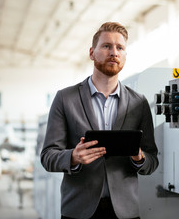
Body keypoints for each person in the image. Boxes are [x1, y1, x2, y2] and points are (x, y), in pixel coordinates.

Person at [41, 22, 158, 219]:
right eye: (106, 46)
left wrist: (139, 158)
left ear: (125, 56)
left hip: (125, 211)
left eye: (120, 47)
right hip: (78, 209)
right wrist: (73, 157)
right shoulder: (65, 99)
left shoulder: (139, 103)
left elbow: (152, 161)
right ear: (91, 53)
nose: (114, 52)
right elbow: (48, 156)